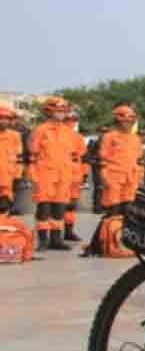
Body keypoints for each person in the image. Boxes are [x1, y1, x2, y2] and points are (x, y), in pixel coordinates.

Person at [28, 97, 75, 251]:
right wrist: (32, 174)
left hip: (64, 174)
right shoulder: (40, 130)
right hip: (45, 173)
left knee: (59, 207)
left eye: (63, 111)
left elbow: (72, 155)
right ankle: (43, 240)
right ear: (49, 111)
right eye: (58, 111)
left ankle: (56, 240)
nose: (61, 114)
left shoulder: (68, 132)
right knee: (44, 207)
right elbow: (32, 155)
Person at [98, 105, 144, 215]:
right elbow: (103, 158)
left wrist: (140, 176)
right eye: (125, 121)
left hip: (131, 179)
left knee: (128, 209)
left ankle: (125, 231)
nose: (128, 124)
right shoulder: (109, 137)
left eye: (130, 122)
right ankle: (112, 230)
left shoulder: (136, 139)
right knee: (114, 209)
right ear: (118, 122)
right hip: (114, 178)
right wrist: (105, 177)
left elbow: (139, 159)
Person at [63, 109, 87, 241]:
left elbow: (84, 157)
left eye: (73, 120)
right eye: (69, 120)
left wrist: (84, 174)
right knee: (56, 206)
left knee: (71, 206)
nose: (71, 122)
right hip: (60, 175)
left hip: (75, 176)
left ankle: (69, 231)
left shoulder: (78, 138)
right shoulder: (58, 135)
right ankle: (52, 235)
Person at [0, 196, 34, 264]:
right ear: (9, 210)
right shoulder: (15, 222)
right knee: (23, 237)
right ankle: (9, 256)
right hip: (12, 254)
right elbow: (28, 236)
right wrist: (26, 257)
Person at [0, 106, 24, 204]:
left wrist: (18, 175)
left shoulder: (15, 136)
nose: (4, 121)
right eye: (1, 118)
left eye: (7, 119)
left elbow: (19, 157)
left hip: (8, 178)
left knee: (5, 205)